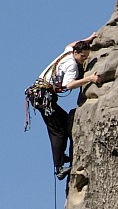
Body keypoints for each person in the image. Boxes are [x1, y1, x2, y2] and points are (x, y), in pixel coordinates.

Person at [33, 32, 102, 180]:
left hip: (41, 96)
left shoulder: (70, 52)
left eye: (86, 56)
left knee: (64, 121)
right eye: (83, 57)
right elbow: (69, 85)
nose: (84, 60)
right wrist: (89, 78)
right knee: (58, 131)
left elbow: (70, 44)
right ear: (76, 53)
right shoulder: (71, 65)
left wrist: (88, 39)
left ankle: (61, 157)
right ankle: (58, 168)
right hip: (43, 98)